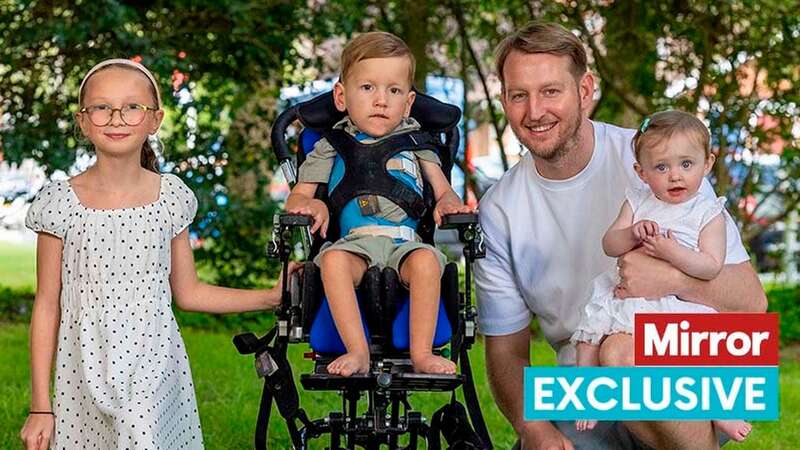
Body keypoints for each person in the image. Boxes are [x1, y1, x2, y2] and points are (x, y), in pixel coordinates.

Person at [474, 22, 767, 450]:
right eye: (519, 95)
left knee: (621, 356)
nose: (534, 111)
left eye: (551, 91)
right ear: (504, 100)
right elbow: (506, 348)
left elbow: (752, 303)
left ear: (586, 89)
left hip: (684, 370)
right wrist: (533, 429)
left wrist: (674, 279)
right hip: (587, 392)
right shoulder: (499, 209)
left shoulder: (663, 161)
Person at [18, 59, 293, 450]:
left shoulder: (169, 198)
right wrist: (40, 408)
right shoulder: (60, 204)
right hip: (82, 367)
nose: (116, 117)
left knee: (141, 432)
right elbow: (47, 305)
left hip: (152, 359)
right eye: (101, 107)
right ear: (83, 120)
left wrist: (268, 296)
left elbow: (189, 292)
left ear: (155, 119)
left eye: (132, 107)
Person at [285, 31, 472, 377]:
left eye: (394, 90)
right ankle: (357, 351)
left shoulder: (417, 142)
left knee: (428, 264)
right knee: (334, 262)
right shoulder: (329, 145)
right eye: (368, 88)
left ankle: (421, 353)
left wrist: (448, 203)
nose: (381, 100)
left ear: (409, 102)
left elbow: (445, 191)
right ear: (341, 96)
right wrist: (315, 206)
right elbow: (298, 196)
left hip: (406, 242)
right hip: (354, 241)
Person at [570, 111, 752, 442]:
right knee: (588, 340)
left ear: (707, 164)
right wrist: (632, 233)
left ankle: (718, 407)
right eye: (661, 167)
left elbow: (710, 266)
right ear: (641, 173)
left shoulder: (708, 213)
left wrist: (671, 252)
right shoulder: (637, 202)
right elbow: (610, 244)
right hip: (631, 301)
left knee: (694, 358)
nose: (675, 176)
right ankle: (588, 395)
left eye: (686, 164)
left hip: (675, 304)